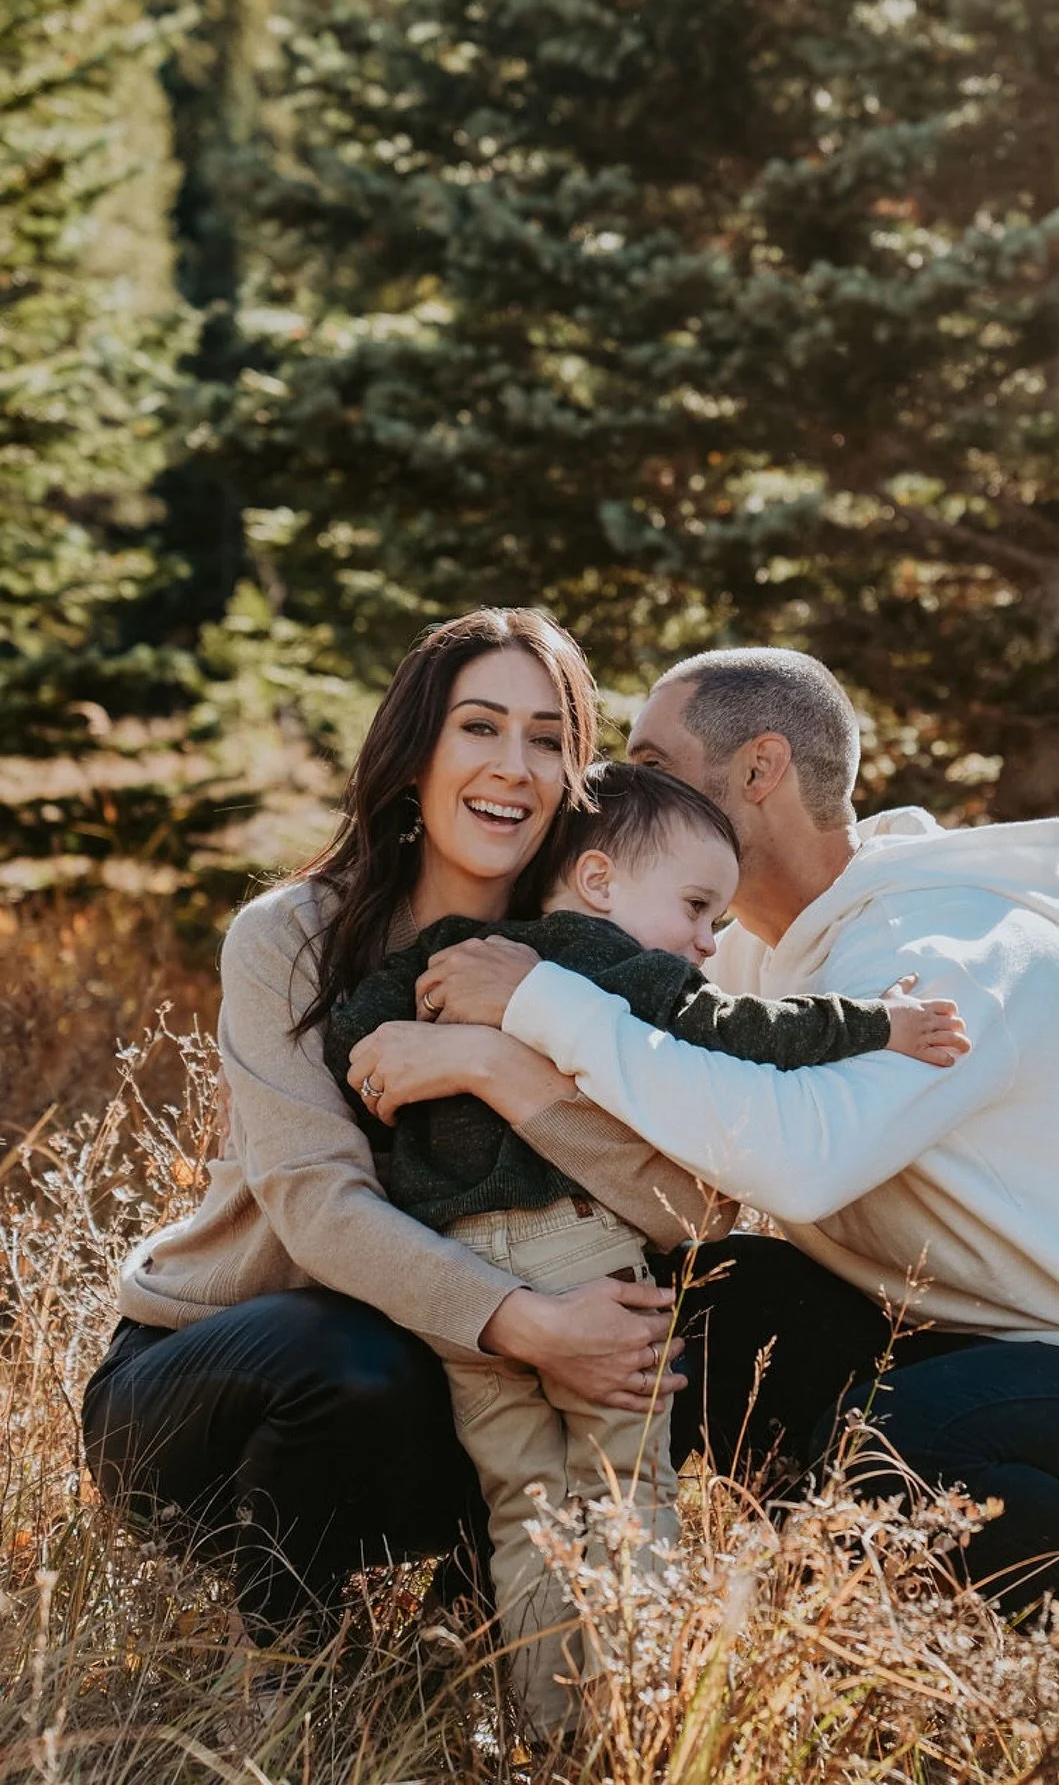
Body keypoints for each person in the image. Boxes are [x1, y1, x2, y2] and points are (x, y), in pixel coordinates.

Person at [416, 646, 1059, 1620]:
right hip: (922, 1341)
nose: (612, 792)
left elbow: (803, 1162)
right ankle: (475, 1637)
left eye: (650, 765)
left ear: (758, 770)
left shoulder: (955, 950)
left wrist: (545, 1002)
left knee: (885, 1448)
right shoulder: (732, 950)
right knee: (680, 1308)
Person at [80, 609, 711, 1658]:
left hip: (443, 1375)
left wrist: (494, 1064)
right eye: (479, 726)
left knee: (687, 1321)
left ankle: (493, 1650)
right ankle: (292, 1672)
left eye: (549, 738)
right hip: (221, 1385)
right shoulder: (291, 936)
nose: (514, 765)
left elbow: (684, 1206)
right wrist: (527, 1324)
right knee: (351, 1348)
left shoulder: (598, 960)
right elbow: (321, 1213)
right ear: (414, 751)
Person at [327, 759, 967, 1731]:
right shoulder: (623, 968)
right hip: (586, 1266)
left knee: (525, 1508)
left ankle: (545, 1729)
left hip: (468, 1294)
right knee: (630, 1496)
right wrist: (885, 1022)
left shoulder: (452, 951)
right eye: (698, 907)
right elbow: (751, 1030)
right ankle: (632, 1720)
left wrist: (383, 1062)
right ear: (597, 885)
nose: (709, 941)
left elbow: (351, 1037)